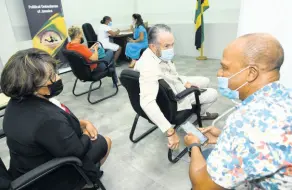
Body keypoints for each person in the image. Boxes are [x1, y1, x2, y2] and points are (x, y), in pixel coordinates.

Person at [184, 33, 292, 189]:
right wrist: (224, 137)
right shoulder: (285, 95)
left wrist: (193, 145)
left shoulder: (245, 122)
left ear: (251, 73)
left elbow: (204, 186)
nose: (219, 73)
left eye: (225, 67)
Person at [1, 48, 112, 187]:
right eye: (52, 75)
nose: (58, 78)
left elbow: (56, 132)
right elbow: (77, 150)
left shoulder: (16, 103)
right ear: (35, 85)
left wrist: (83, 123)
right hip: (47, 178)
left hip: (24, 168)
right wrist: (85, 132)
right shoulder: (46, 119)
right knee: (105, 141)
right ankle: (86, 181)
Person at [134, 24, 218, 150]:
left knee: (205, 80)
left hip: (173, 83)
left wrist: (184, 82)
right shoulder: (149, 68)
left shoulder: (155, 53)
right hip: (173, 98)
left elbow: (172, 74)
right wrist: (170, 131)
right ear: (153, 46)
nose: (171, 49)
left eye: (172, 44)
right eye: (167, 46)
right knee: (213, 93)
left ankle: (200, 112)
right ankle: (195, 117)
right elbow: (147, 102)